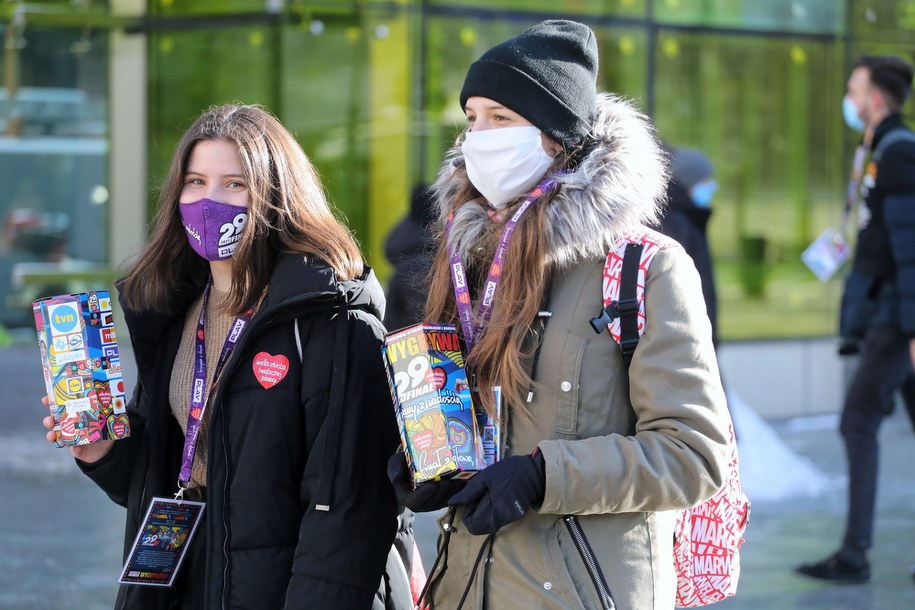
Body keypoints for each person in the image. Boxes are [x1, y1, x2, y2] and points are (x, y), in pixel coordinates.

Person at [388, 20, 732, 609]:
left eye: (501, 118)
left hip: (586, 591)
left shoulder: (645, 267)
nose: (478, 136)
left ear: (556, 136)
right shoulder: (464, 256)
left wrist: (544, 475)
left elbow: (694, 454)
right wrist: (427, 457)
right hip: (468, 586)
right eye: (471, 118)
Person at [41, 104, 412, 608]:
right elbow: (168, 469)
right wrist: (101, 453)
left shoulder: (331, 322)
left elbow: (347, 514)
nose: (208, 200)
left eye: (234, 184)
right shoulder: (176, 311)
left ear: (276, 197)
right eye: (195, 181)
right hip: (186, 576)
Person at [796, 55, 915, 584]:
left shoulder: (898, 153)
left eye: (853, 89)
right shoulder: (877, 151)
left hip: (897, 317)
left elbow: (912, 250)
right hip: (887, 313)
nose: (848, 97)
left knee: (856, 421)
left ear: (875, 99)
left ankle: (855, 555)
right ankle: (854, 552)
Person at [657, 147, 719, 345]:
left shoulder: (686, 217)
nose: (711, 186)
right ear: (688, 183)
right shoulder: (676, 224)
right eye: (705, 180)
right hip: (689, 340)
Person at [383, 184, 436, 331]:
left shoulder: (407, 254)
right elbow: (426, 320)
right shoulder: (423, 262)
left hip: (402, 348)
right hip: (424, 350)